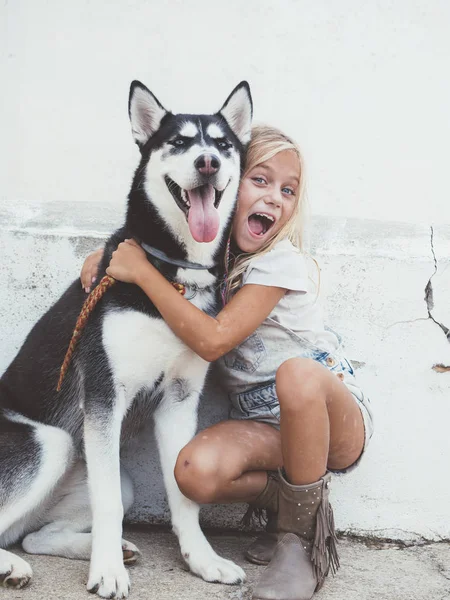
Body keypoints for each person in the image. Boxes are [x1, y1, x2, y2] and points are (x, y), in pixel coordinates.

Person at [80, 125, 374, 600]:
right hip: (263, 424)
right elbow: (154, 248)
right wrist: (110, 253)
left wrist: (140, 274)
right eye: (260, 180)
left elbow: (213, 341)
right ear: (227, 186)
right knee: (194, 471)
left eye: (289, 190)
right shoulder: (211, 260)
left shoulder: (278, 264)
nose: (274, 198)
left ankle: (299, 545)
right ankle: (296, 501)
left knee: (296, 375)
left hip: (329, 415)